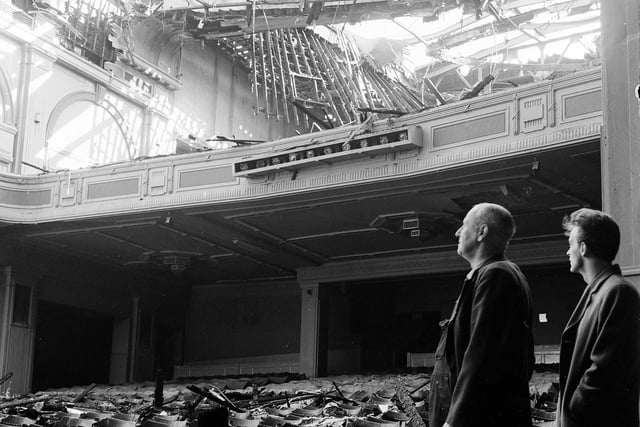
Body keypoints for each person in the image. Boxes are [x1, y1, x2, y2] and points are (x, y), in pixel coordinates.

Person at [430, 203, 534, 427]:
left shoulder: (496, 274)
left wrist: (455, 420)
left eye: (464, 225)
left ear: (482, 232)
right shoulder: (492, 273)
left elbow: (481, 356)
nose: (458, 232)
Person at [557, 208, 640, 427]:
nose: (568, 252)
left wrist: (573, 410)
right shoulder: (603, 290)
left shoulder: (618, 291)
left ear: (583, 248)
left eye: (571, 245)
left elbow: (605, 371)